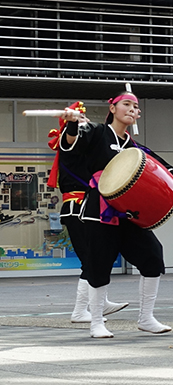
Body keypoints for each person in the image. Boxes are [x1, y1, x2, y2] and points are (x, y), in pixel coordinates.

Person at [60, 91, 173, 338]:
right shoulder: (96, 132)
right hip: (99, 211)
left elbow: (161, 171)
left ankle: (146, 318)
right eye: (126, 104)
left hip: (128, 212)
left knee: (153, 256)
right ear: (112, 108)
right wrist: (72, 122)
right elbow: (71, 142)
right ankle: (96, 324)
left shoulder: (135, 147)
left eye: (136, 108)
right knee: (98, 264)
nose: (132, 110)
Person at [47, 102, 128, 323]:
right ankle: (81, 310)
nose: (87, 125)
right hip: (78, 208)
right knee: (91, 260)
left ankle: (99, 302)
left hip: (85, 207)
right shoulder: (72, 146)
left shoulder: (87, 146)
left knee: (96, 258)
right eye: (82, 122)